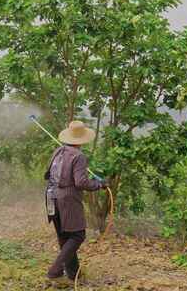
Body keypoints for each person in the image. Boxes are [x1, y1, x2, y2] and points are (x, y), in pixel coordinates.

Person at [44, 120, 107, 283]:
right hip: (67, 200)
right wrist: (98, 184)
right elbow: (81, 183)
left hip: (51, 196)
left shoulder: (59, 150)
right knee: (78, 235)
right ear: (82, 139)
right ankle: (55, 270)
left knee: (65, 236)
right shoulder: (78, 156)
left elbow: (49, 174)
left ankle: (73, 274)